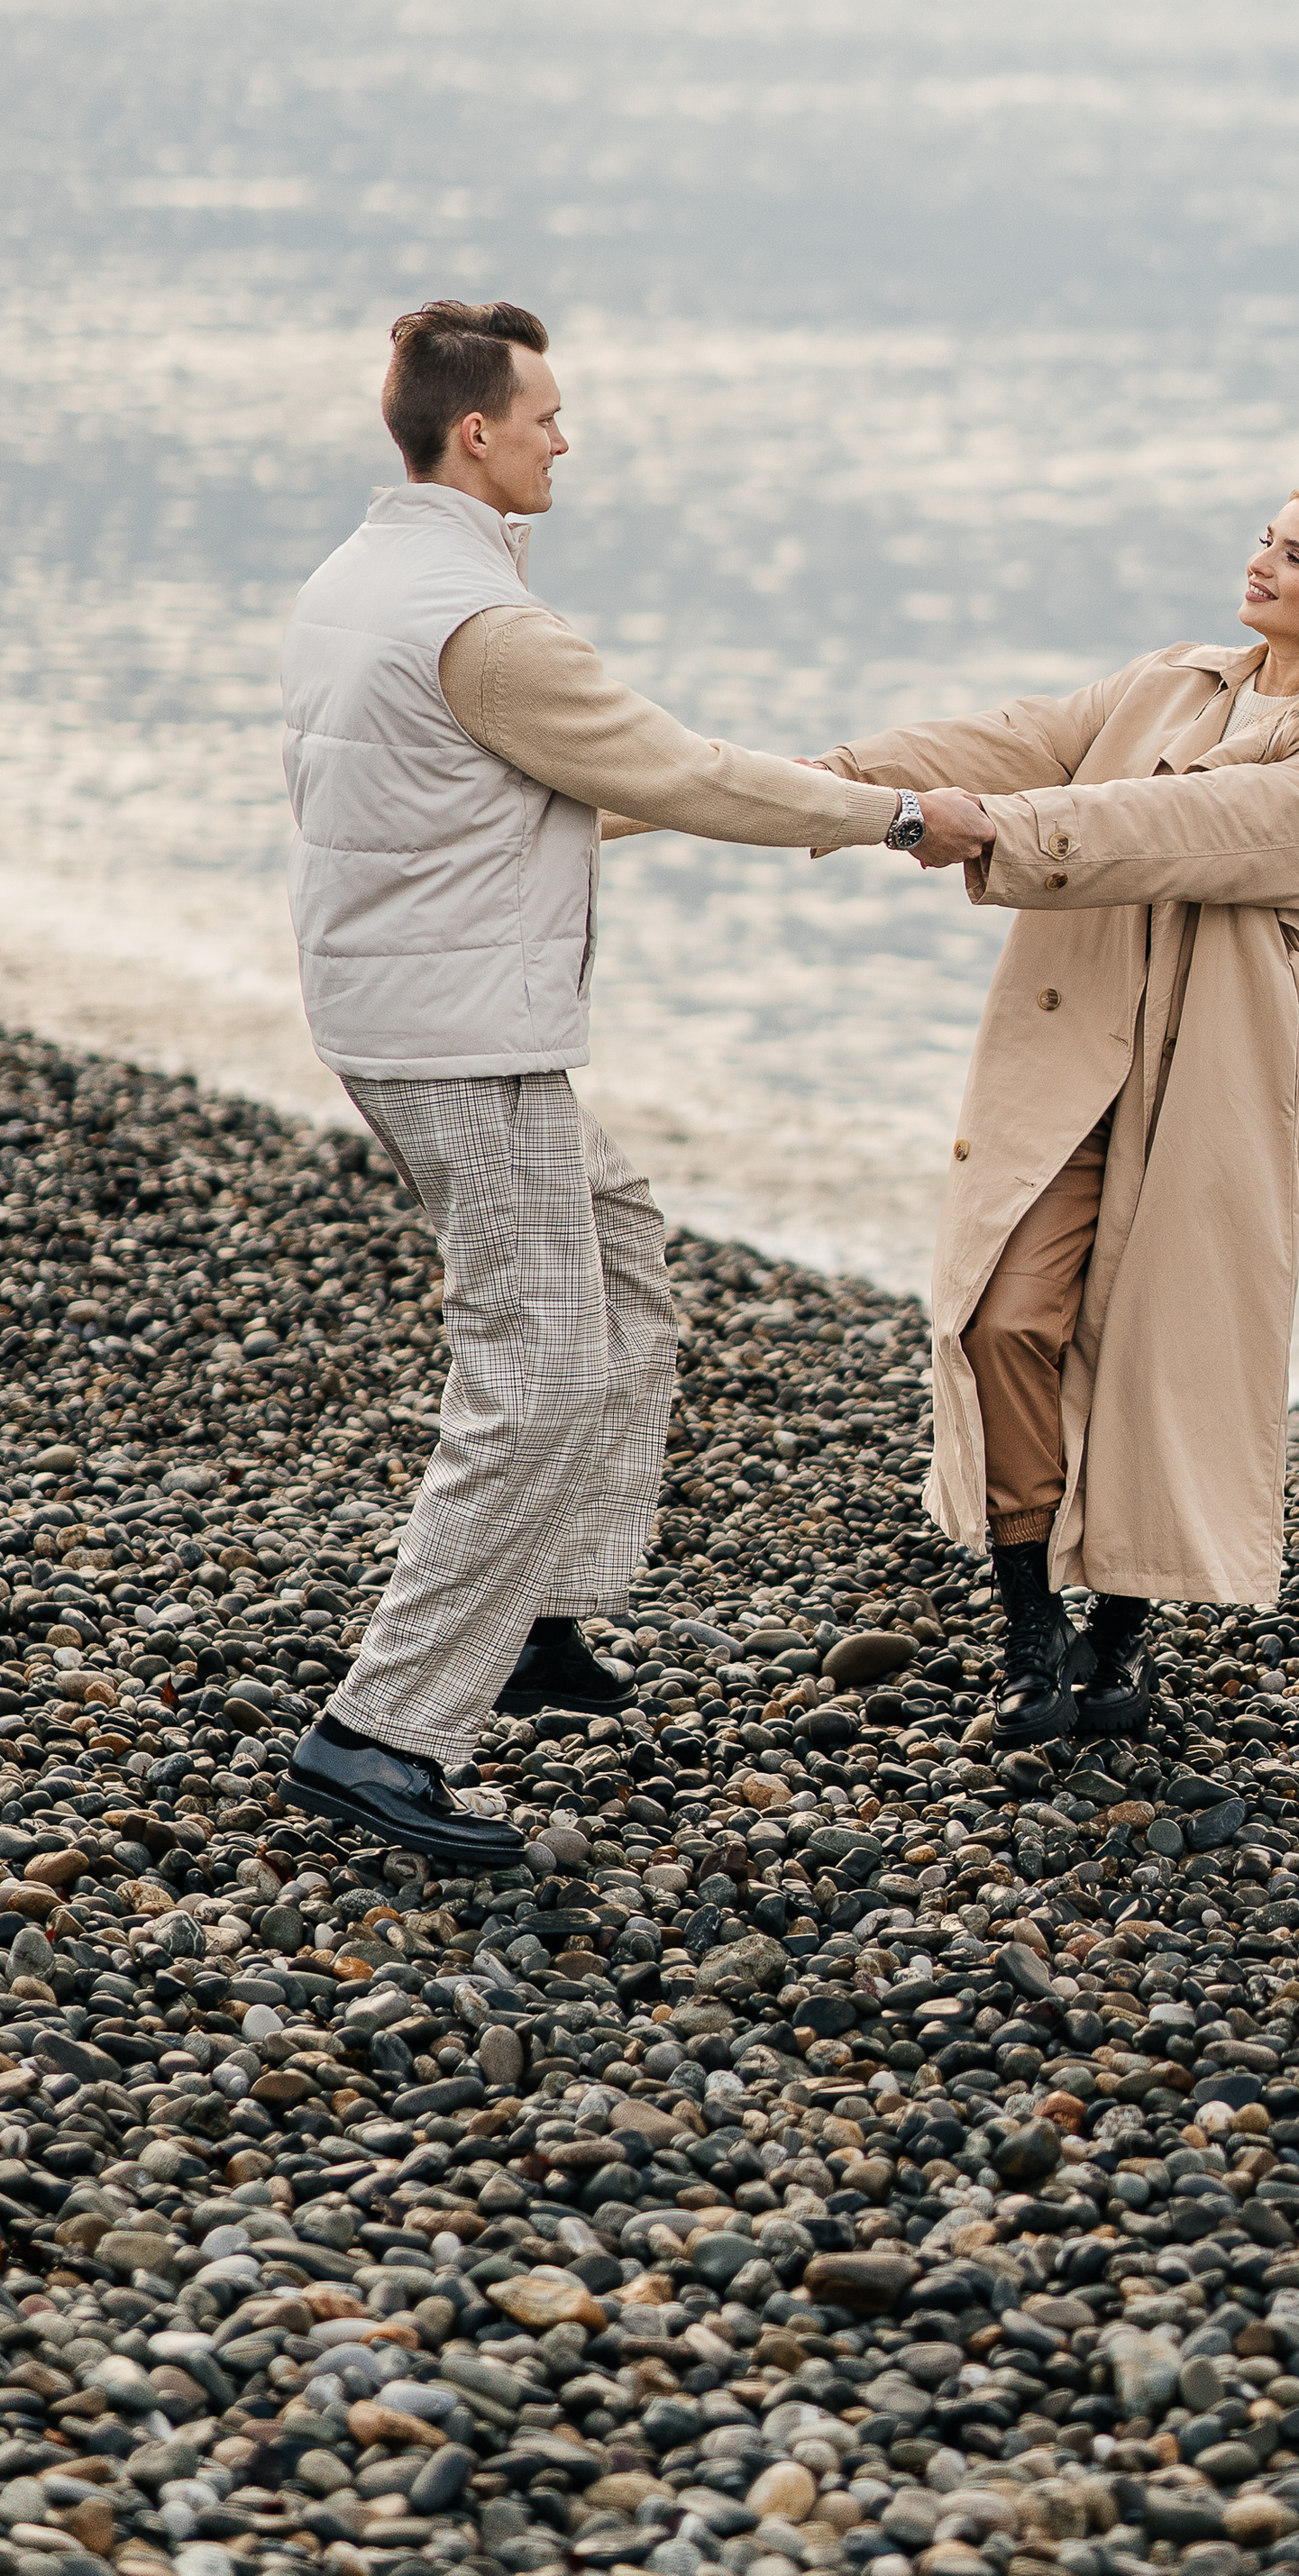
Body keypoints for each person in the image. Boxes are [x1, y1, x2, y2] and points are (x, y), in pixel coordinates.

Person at [278, 298, 979, 1868]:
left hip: (400, 1003)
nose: (562, 439)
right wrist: (893, 817)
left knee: (622, 1260)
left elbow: (554, 793)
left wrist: (797, 791)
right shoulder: (488, 625)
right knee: (537, 1375)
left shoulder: (361, 580)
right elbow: (673, 772)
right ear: (477, 431)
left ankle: (529, 1612)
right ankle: (383, 1731)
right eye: (545, 416)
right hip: (468, 1037)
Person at [815, 477, 1299, 1747]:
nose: (1260, 564)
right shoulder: (1179, 682)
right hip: (1067, 1054)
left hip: (1211, 1070)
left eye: (1295, 554)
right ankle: (1030, 1631)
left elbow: (1171, 824)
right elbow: (1022, 737)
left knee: (1165, 1351)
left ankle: (1118, 1643)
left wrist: (995, 830)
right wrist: (828, 784)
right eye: (1266, 539)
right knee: (1001, 1321)